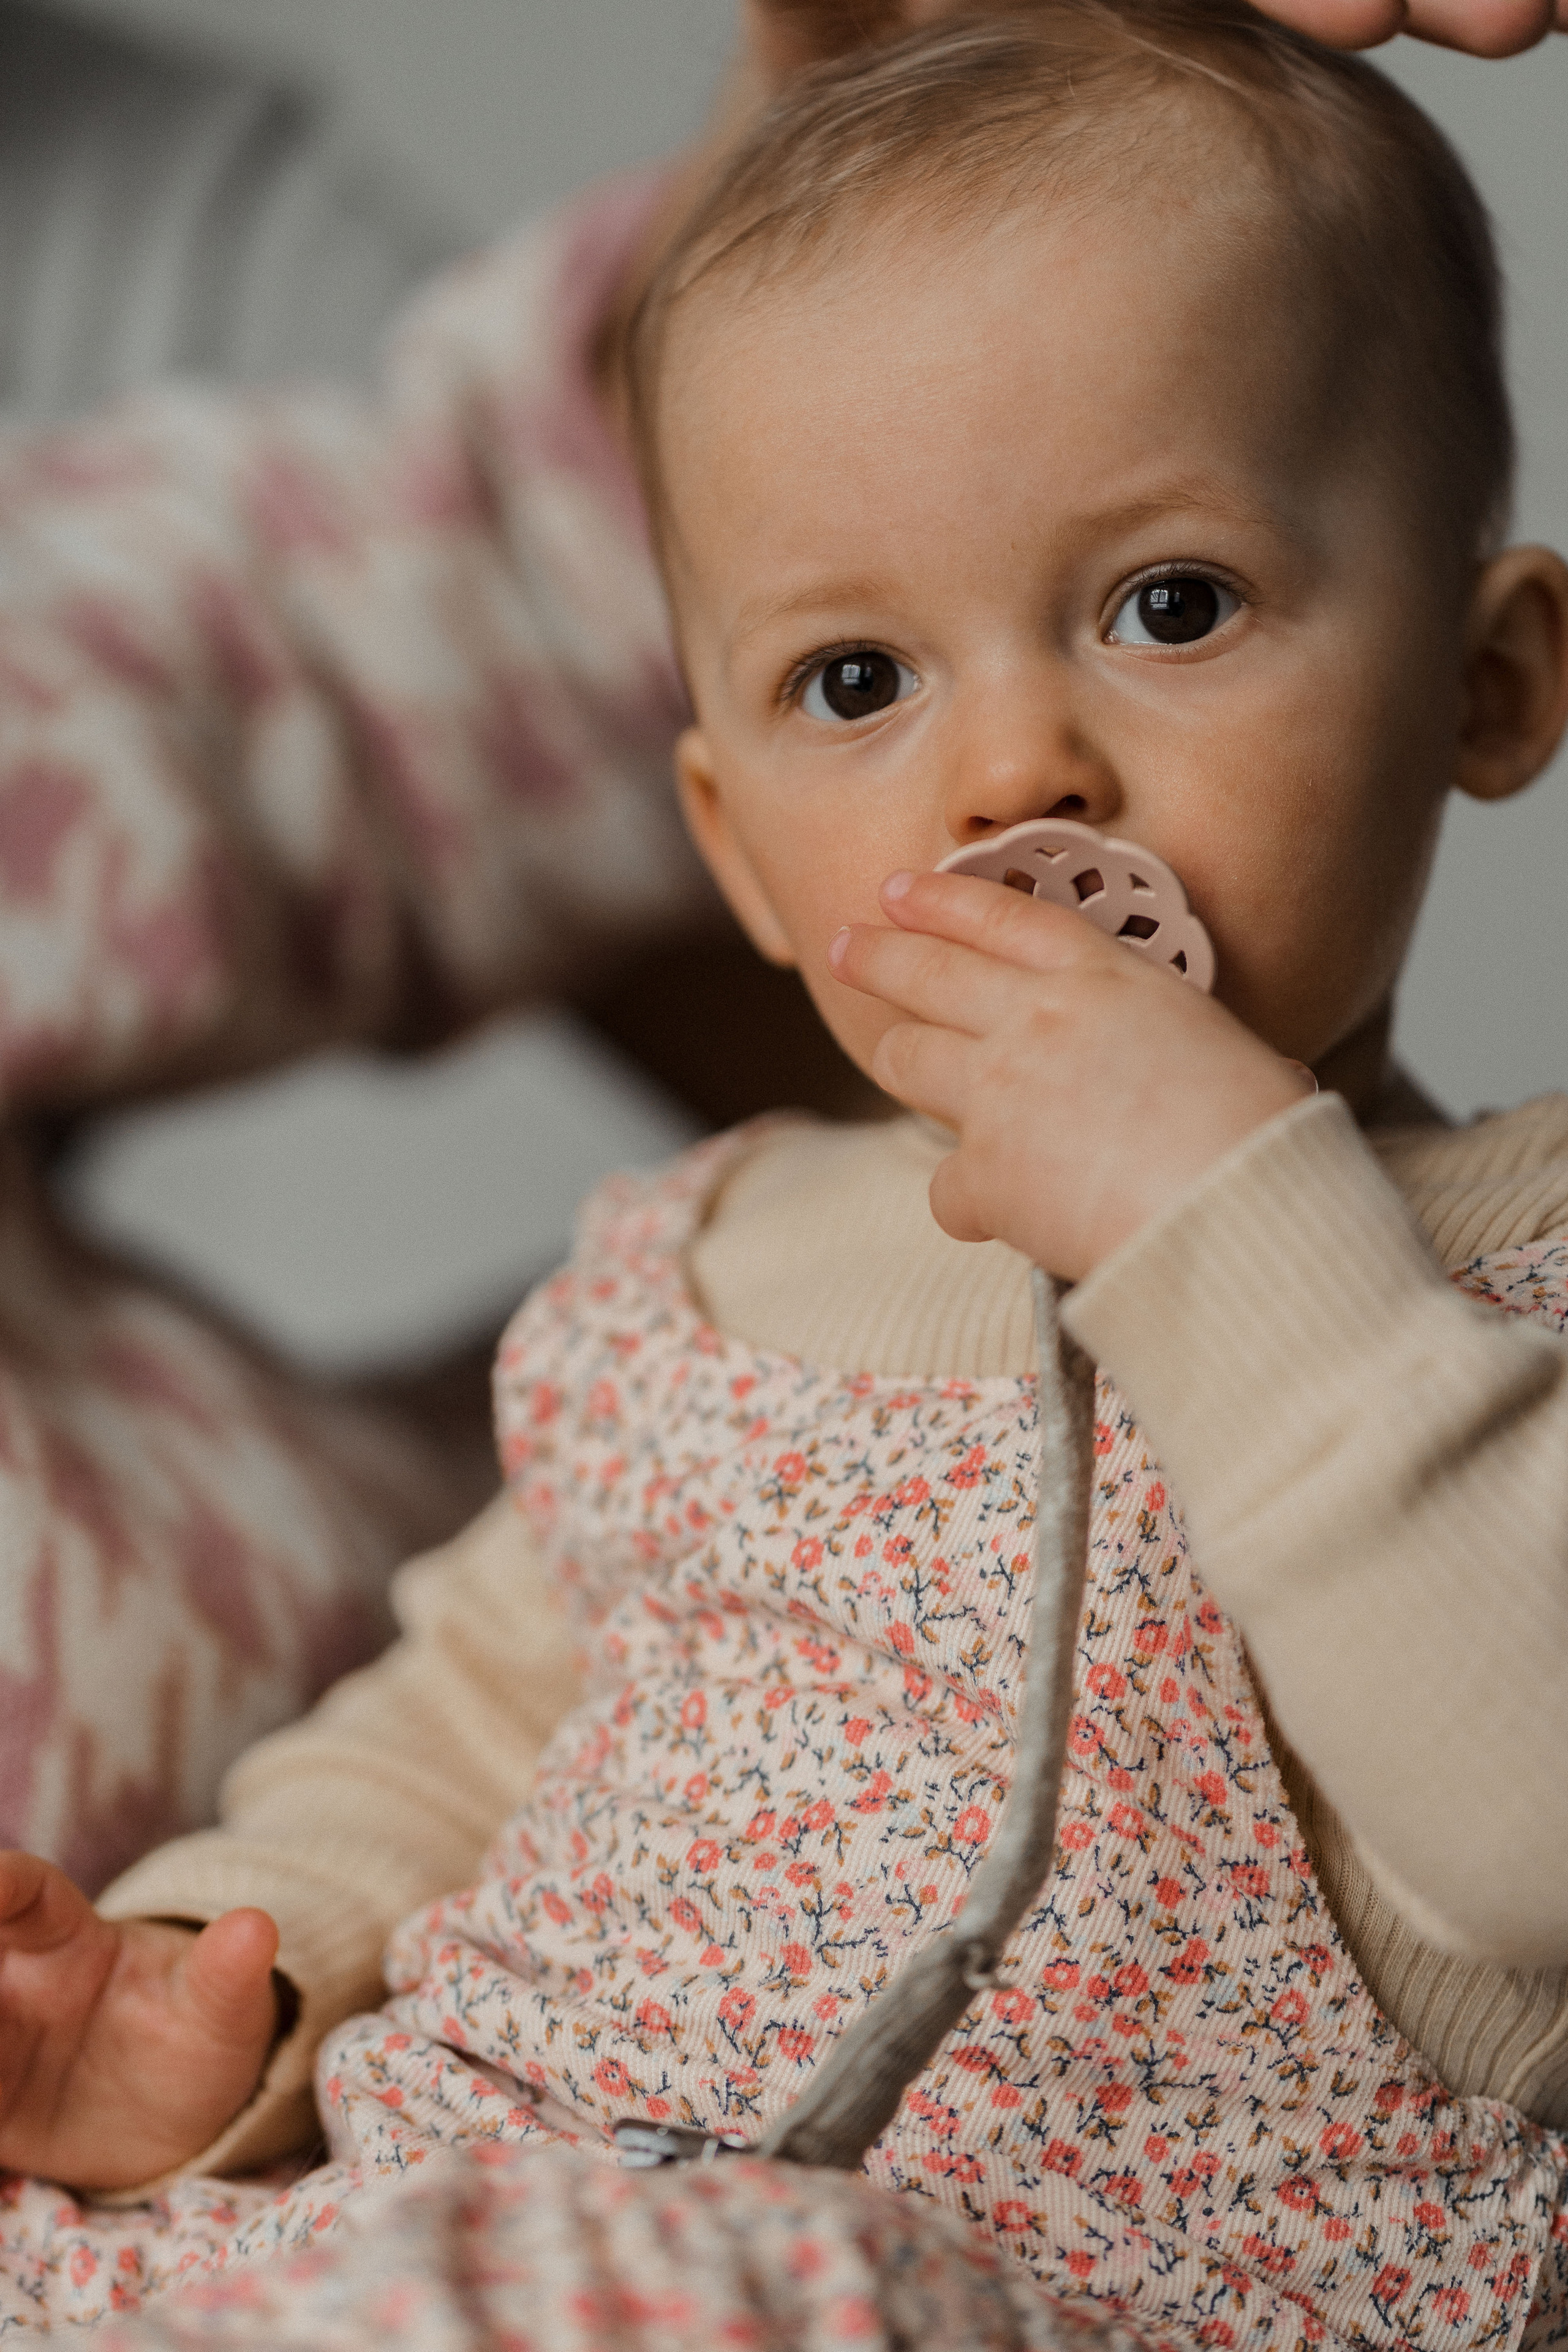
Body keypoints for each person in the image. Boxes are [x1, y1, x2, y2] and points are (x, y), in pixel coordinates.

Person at [2, 6, 1566, 2343]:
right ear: (731, 846)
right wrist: (228, 1971)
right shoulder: (708, 1273)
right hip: (447, 2212)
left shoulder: (1527, 1263)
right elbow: (457, 1729)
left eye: (1172, 606)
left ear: (1488, 688)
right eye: (857, 684)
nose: (1014, 762)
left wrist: (1235, 1217)